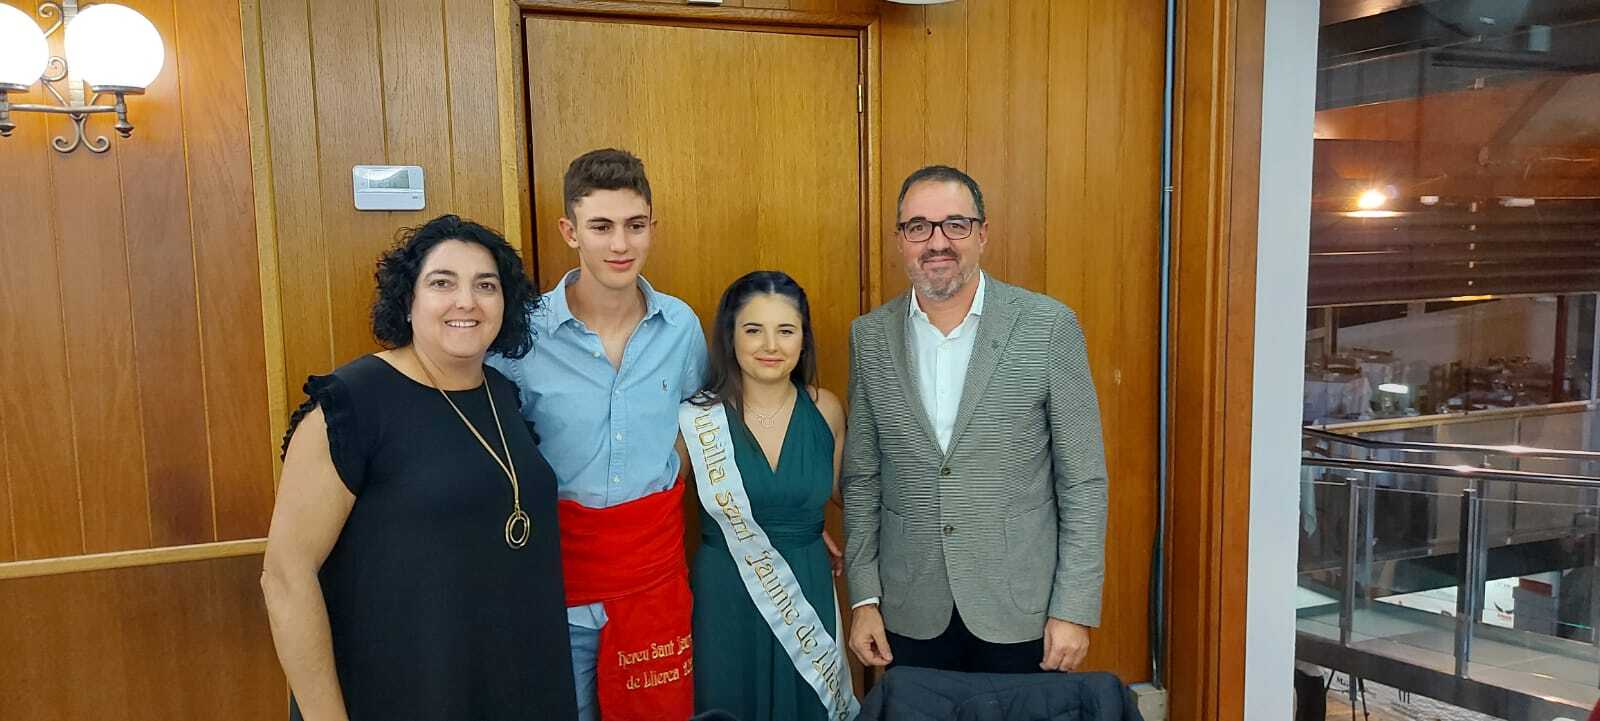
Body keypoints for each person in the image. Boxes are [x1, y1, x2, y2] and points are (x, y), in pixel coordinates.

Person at [261, 214, 576, 721]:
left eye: (486, 285)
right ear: (407, 301)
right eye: (442, 283)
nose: (466, 301)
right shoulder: (353, 404)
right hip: (402, 691)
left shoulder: (502, 394)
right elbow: (285, 577)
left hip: (510, 684)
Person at [841, 165, 1110, 675]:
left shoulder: (1048, 326)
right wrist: (864, 599)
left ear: (982, 234)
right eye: (918, 226)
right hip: (909, 610)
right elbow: (862, 478)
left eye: (955, 224)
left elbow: (1083, 481)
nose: (937, 242)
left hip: (1021, 612)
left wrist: (1073, 607)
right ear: (900, 240)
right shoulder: (870, 337)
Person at [489, 148, 706, 721]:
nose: (620, 245)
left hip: (653, 576)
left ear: (652, 227)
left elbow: (698, 417)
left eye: (635, 225)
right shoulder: (521, 334)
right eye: (601, 227)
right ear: (570, 232)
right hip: (555, 586)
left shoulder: (681, 327)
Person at [680, 271, 857, 721]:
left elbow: (850, 498)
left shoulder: (826, 410)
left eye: (786, 330)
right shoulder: (697, 419)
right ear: (731, 336)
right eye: (754, 330)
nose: (771, 346)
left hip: (806, 586)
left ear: (803, 339)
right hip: (724, 592)